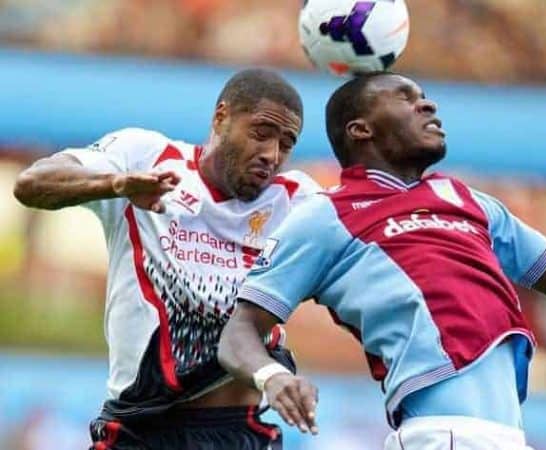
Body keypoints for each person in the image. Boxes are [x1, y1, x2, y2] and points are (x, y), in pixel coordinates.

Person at [217, 72, 546, 450]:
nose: (428, 105)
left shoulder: (469, 201)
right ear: (360, 130)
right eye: (405, 98)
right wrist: (271, 375)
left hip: (510, 438)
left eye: (424, 95)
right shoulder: (326, 216)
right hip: (442, 437)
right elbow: (239, 332)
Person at [13, 68, 321, 450]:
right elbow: (31, 185)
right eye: (260, 133)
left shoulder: (297, 200)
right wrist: (115, 185)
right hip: (137, 426)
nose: (271, 155)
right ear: (221, 117)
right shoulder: (146, 156)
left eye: (286, 144)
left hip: (234, 431)